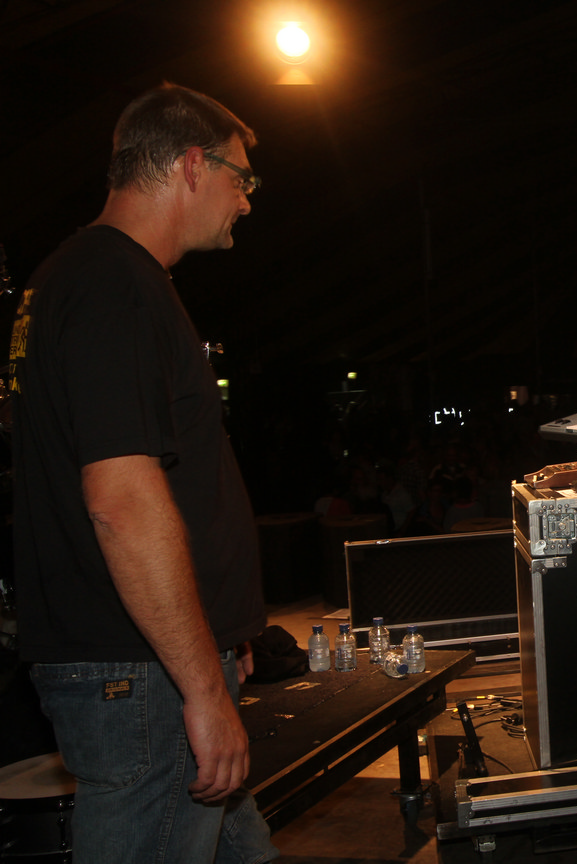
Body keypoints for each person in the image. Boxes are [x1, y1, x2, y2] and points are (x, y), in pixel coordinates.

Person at [7, 83, 278, 863]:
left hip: (159, 664)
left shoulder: (83, 278)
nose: (246, 201)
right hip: (141, 677)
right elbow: (121, 502)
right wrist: (200, 685)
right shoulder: (112, 284)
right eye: (241, 178)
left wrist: (220, 633)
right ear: (192, 165)